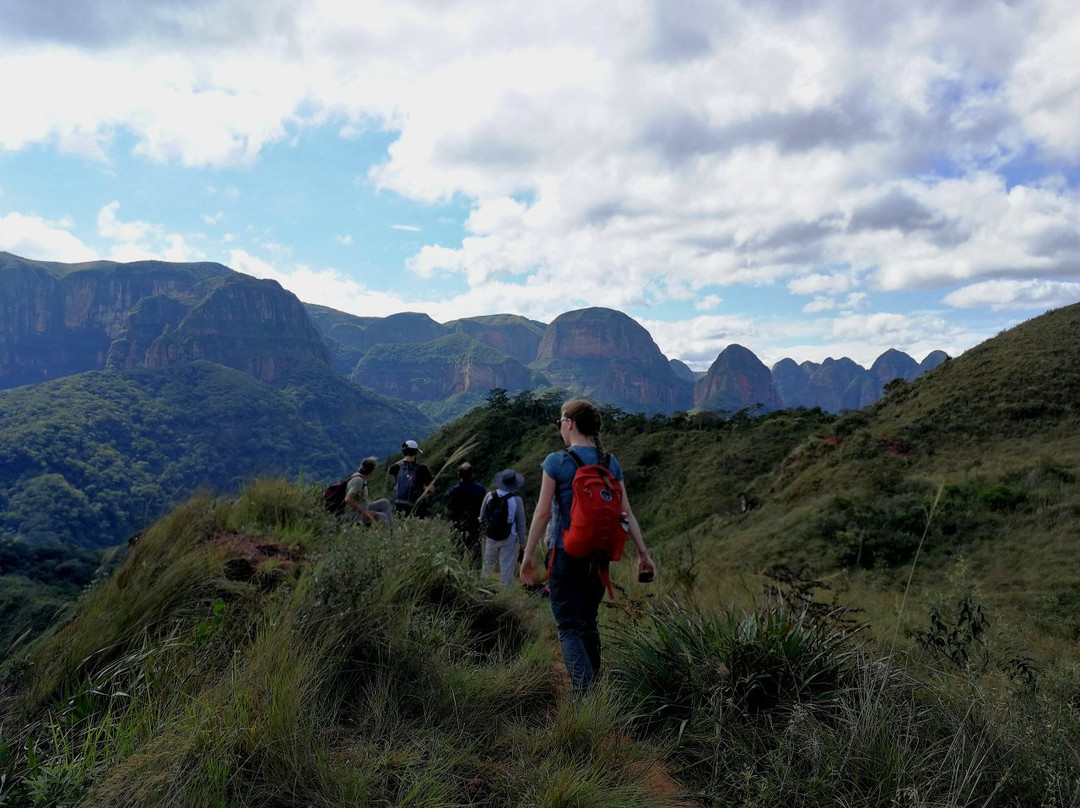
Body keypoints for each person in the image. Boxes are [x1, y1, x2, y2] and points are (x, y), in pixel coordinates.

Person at [520, 398, 655, 692]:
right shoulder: (610, 462)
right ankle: (593, 692)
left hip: (565, 553)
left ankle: (586, 694)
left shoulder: (556, 461)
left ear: (569, 424)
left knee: (568, 627)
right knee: (589, 622)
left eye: (560, 423)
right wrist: (644, 555)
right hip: (599, 556)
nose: (560, 429)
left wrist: (528, 554)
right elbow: (626, 513)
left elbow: (543, 512)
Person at [480, 469, 527, 588]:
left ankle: (483, 588)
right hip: (509, 537)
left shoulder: (489, 496)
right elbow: (521, 525)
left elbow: (482, 517)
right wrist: (523, 544)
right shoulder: (517, 500)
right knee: (507, 566)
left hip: (491, 536)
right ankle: (506, 593)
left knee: (488, 563)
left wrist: (485, 531)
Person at [445, 462, 487, 565]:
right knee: (476, 556)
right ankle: (476, 578)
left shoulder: (455, 490)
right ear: (472, 474)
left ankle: (458, 578)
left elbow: (449, 511)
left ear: (459, 475)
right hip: (475, 526)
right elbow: (485, 508)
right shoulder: (480, 489)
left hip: (459, 527)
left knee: (457, 556)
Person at [344, 457, 394, 532]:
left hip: (363, 508)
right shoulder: (358, 480)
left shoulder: (361, 478)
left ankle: (391, 531)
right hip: (355, 514)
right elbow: (348, 499)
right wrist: (363, 512)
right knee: (382, 516)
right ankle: (387, 537)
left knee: (384, 503)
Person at [387, 439, 435, 516]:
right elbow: (431, 490)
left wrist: (405, 457)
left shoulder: (396, 468)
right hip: (415, 508)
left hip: (398, 505)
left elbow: (390, 469)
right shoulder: (422, 469)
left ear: (403, 452)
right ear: (415, 453)